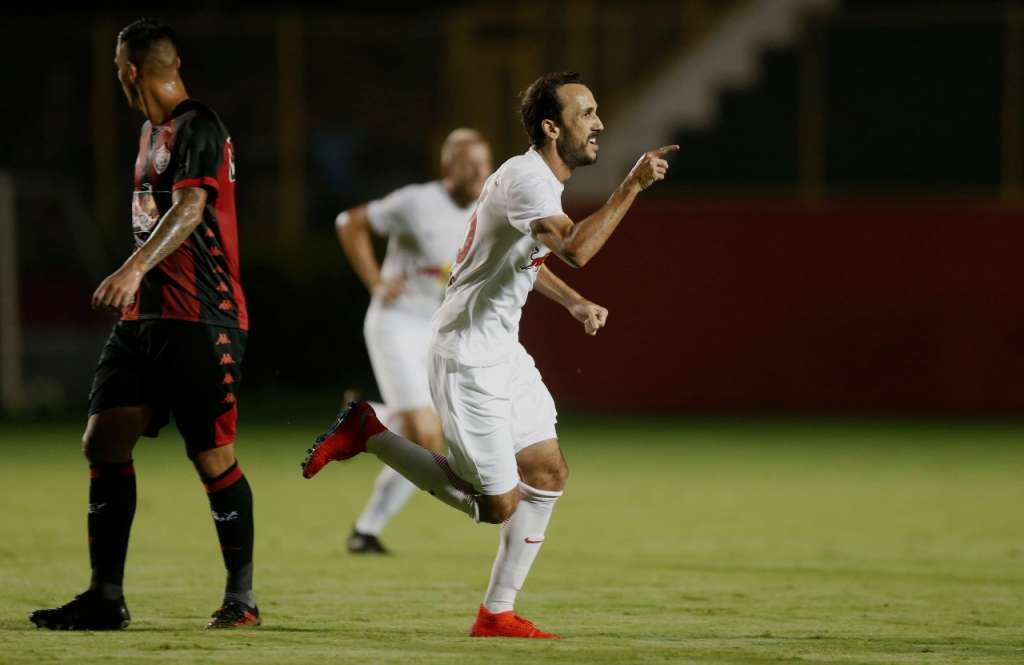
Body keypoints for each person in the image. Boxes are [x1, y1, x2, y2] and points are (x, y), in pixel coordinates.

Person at [302, 71, 676, 638]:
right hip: (466, 358)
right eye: (587, 114)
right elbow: (574, 250)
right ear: (552, 128)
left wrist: (574, 306)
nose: (599, 123)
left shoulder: (535, 182)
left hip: (502, 351)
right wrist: (631, 186)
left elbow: (524, 261)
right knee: (496, 505)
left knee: (548, 471)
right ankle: (368, 431)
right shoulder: (528, 180)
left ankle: (496, 613)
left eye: (597, 111)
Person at [30, 18, 259, 630]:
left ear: (130, 70)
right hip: (145, 318)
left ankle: (242, 600)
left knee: (212, 456)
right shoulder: (149, 132)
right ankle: (106, 597)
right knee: (102, 440)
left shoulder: (199, 126)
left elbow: (191, 206)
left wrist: (131, 269)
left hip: (201, 316)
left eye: (116, 69)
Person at [335, 130, 492, 553]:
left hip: (439, 330)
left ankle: (366, 529)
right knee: (426, 435)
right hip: (397, 324)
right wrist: (375, 281)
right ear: (447, 168)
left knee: (409, 432)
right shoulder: (416, 202)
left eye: (484, 162)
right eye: (468, 162)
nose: (479, 170)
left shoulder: (489, 209)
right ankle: (369, 417)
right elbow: (349, 222)